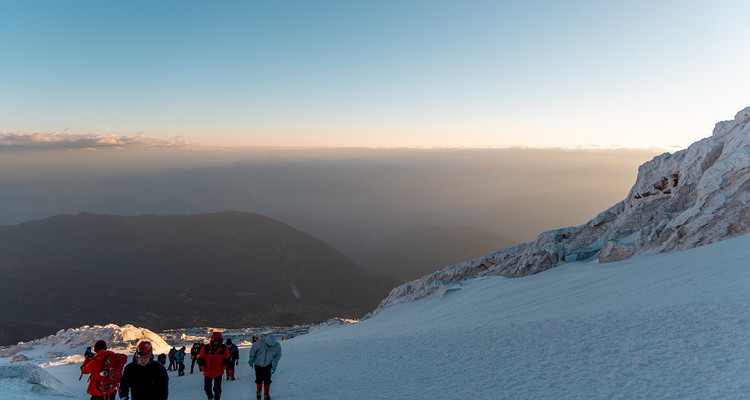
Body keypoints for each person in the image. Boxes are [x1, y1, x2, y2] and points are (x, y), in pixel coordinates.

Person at [198, 331, 231, 400]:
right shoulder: (206, 348)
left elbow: (227, 359)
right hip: (208, 372)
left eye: (219, 340)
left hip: (218, 372)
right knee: (207, 388)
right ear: (212, 340)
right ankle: (210, 397)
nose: (217, 342)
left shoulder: (223, 348)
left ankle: (217, 398)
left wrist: (222, 368)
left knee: (217, 389)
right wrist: (204, 368)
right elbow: (201, 359)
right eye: (215, 340)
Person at [248, 334, 282, 400]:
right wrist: (251, 359)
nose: (269, 346)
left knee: (267, 380)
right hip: (258, 364)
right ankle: (258, 392)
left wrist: (274, 366)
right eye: (268, 345)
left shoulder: (277, 346)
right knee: (259, 379)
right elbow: (253, 350)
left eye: (270, 346)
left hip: (268, 365)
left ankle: (266, 394)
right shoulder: (260, 342)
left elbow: (277, 356)